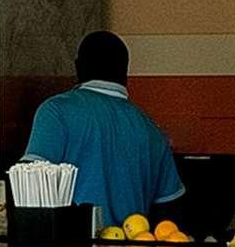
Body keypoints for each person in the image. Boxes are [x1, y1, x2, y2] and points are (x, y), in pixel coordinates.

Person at [21, 29, 183, 235]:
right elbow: (168, 214)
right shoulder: (151, 131)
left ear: (78, 68)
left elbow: (29, 187)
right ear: (126, 74)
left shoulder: (56, 111)